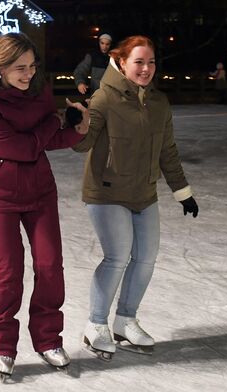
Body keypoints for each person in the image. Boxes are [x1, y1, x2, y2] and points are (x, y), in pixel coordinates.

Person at [0, 33, 89, 381]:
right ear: (0, 68)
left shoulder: (40, 92)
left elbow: (46, 141)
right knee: (9, 271)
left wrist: (77, 131)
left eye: (32, 66)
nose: (28, 74)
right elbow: (20, 148)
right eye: (20, 68)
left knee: (51, 265)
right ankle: (2, 345)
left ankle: (48, 340)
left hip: (40, 191)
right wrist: (53, 123)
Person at [72, 35, 199, 360]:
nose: (145, 69)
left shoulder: (158, 103)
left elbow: (168, 151)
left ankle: (125, 320)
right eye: (139, 62)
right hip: (106, 192)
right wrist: (75, 124)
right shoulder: (104, 99)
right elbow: (83, 144)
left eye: (151, 62)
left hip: (144, 192)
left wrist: (182, 191)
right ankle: (96, 324)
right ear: (122, 62)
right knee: (118, 257)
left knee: (145, 259)